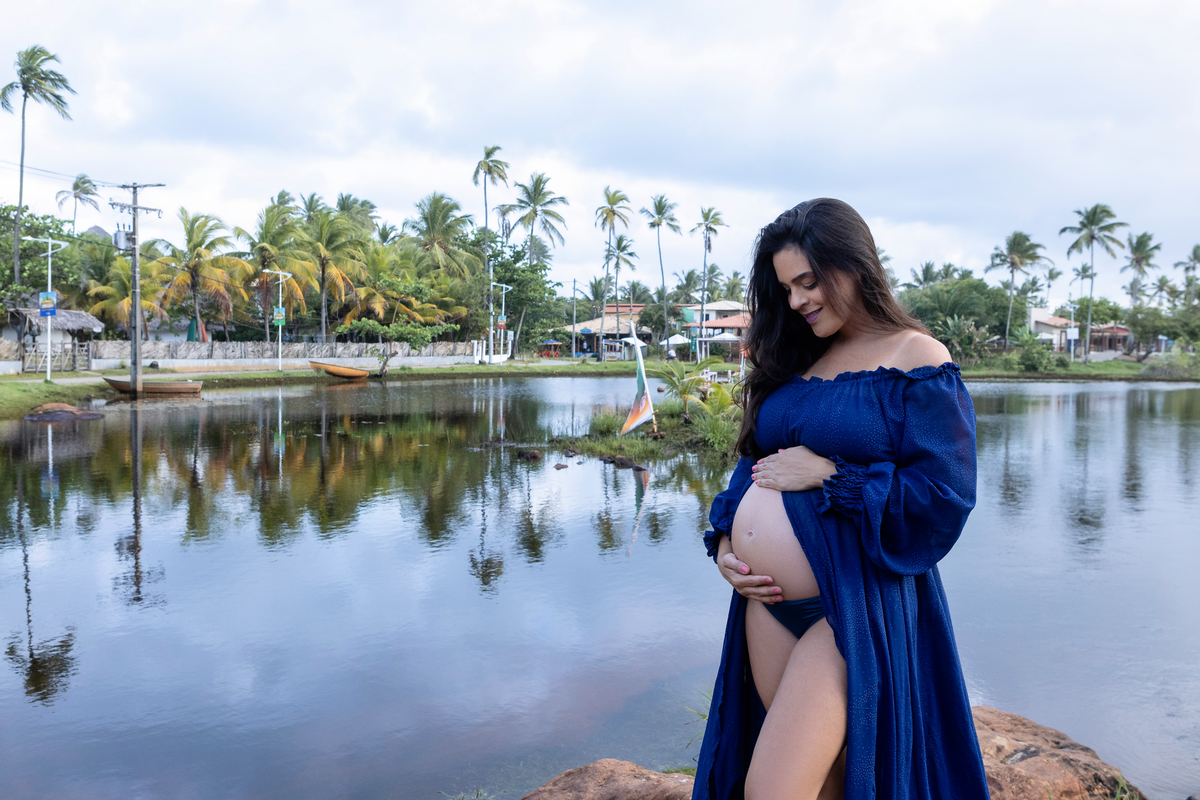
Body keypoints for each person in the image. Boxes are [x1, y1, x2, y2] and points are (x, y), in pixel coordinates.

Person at [693, 199, 990, 800]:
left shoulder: (917, 358)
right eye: (787, 288)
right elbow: (754, 464)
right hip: (767, 606)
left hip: (851, 606)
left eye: (808, 281)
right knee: (827, 782)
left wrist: (834, 476)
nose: (798, 300)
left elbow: (945, 497)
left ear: (855, 266)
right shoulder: (801, 359)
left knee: (773, 790)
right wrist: (725, 538)